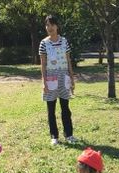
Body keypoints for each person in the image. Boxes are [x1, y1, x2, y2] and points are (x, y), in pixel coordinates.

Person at [39, 14, 77, 146]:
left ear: (57, 26)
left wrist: (72, 78)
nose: (49, 27)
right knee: (51, 109)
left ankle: (69, 134)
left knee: (65, 108)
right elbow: (43, 64)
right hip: (50, 78)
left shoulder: (64, 41)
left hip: (64, 77)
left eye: (52, 24)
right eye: (47, 25)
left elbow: (68, 60)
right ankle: (54, 136)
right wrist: (44, 82)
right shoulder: (44, 43)